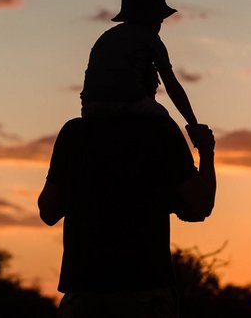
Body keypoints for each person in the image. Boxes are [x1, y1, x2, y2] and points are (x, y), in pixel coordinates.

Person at [37, 116, 216, 318]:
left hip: (85, 296)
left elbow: (48, 211)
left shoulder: (75, 133)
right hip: (146, 296)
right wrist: (206, 150)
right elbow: (199, 207)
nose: (82, 93)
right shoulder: (160, 131)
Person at [80, 0, 199, 127]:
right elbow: (171, 84)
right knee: (165, 124)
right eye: (159, 17)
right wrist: (193, 123)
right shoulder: (149, 38)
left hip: (90, 108)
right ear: (150, 17)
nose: (161, 21)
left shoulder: (106, 36)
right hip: (129, 103)